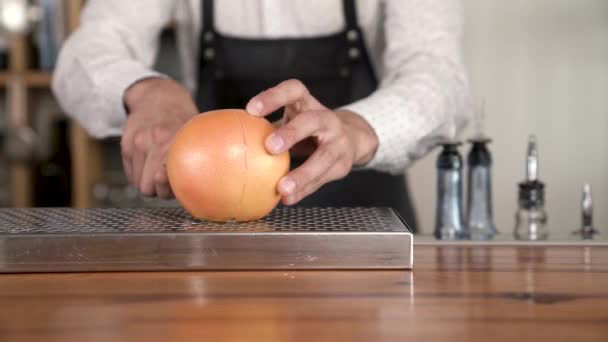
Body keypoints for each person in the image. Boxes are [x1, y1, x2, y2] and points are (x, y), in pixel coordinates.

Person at [52, 0, 471, 230]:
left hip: (368, 234)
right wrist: (145, 89)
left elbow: (439, 74)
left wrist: (358, 128)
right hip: (215, 239)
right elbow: (84, 52)